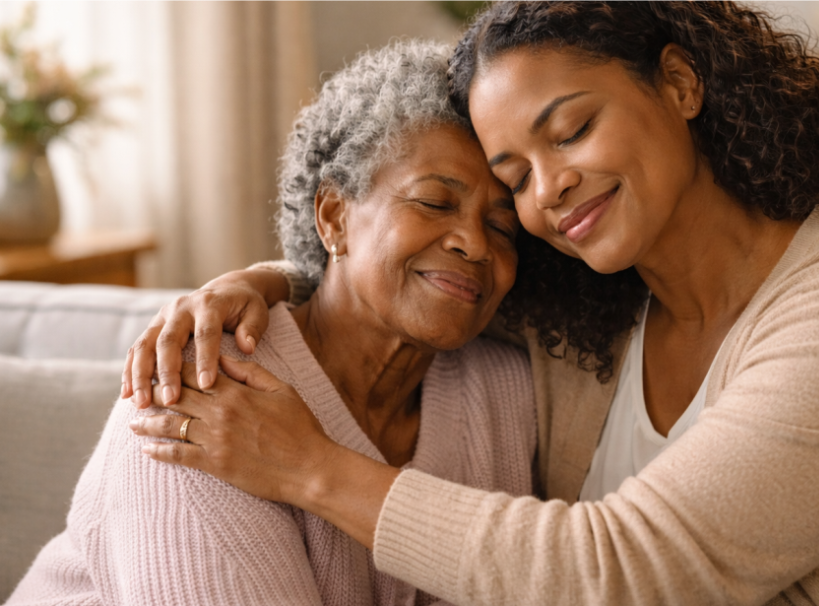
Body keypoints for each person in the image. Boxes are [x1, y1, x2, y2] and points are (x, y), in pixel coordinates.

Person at [122, 0, 819, 604]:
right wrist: (250, 285)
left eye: (572, 130)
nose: (546, 191)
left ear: (679, 83)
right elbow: (402, 274)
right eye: (515, 177)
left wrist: (308, 469)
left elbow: (630, 570)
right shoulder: (583, 311)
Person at [7, 40, 536, 606]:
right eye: (434, 202)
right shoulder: (200, 388)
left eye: (503, 229)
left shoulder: (503, 387)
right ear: (334, 218)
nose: (476, 244)